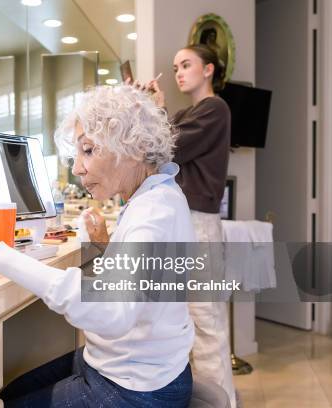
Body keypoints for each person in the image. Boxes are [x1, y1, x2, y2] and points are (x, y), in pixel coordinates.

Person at [0, 85, 196, 407]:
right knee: (9, 394)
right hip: (127, 364)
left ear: (134, 148)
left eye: (89, 151)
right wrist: (107, 247)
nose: (78, 167)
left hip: (136, 388)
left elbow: (113, 312)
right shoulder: (156, 195)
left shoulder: (153, 212)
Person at [142, 44, 236, 407]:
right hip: (186, 222)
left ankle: (222, 402)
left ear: (208, 69)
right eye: (176, 66)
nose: (179, 72)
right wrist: (158, 107)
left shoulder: (215, 108)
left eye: (186, 65)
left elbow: (169, 148)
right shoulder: (189, 112)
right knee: (190, 323)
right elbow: (165, 150)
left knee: (206, 323)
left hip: (200, 226)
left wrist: (152, 110)